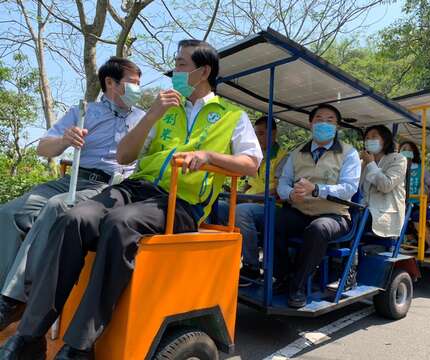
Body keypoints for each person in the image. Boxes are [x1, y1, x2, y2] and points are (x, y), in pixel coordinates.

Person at [0, 39, 262, 359]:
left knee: (119, 224)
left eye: (180, 64)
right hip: (135, 188)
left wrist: (209, 156)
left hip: (181, 201)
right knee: (73, 217)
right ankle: (30, 335)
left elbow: (251, 162)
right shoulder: (163, 110)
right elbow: (125, 155)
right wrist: (152, 115)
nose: (174, 71)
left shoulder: (232, 116)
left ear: (203, 70)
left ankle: (79, 345)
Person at [0, 57, 145, 332]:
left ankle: (16, 299)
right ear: (110, 83)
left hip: (106, 185)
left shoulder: (142, 118)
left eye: (139, 83)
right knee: (9, 212)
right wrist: (65, 139)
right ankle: (2, 291)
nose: (138, 89)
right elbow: (43, 148)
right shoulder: (83, 111)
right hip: (73, 178)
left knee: (56, 207)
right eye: (132, 83)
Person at [275, 103, 361, 308]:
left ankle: (298, 286)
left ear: (337, 126)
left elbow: (349, 187)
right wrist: (289, 194)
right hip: (300, 210)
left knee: (318, 228)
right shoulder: (296, 153)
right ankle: (284, 275)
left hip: (334, 215)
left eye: (330, 120)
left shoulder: (349, 153)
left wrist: (317, 189)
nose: (324, 123)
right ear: (310, 124)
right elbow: (283, 182)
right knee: (272, 221)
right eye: (319, 119)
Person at [231, 116, 287, 286]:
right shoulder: (256, 157)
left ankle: (251, 266)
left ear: (274, 134)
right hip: (251, 203)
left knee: (242, 211)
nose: (257, 138)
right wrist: (238, 194)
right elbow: (248, 184)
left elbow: (279, 190)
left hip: (273, 207)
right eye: (256, 134)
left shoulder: (284, 157)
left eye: (261, 134)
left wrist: (250, 198)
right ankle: (224, 260)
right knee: (219, 207)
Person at [360, 125, 407, 240]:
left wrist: (371, 164)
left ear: (385, 141)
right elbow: (358, 188)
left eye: (374, 137)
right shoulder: (364, 163)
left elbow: (386, 186)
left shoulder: (398, 159)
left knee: (354, 218)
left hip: (384, 212)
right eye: (367, 138)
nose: (369, 140)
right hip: (365, 209)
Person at [398, 141, 430, 254]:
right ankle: (412, 242)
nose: (406, 152)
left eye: (409, 150)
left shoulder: (421, 168)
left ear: (414, 153)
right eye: (404, 149)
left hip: (417, 203)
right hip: (402, 202)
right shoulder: (397, 167)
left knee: (415, 218)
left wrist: (427, 191)